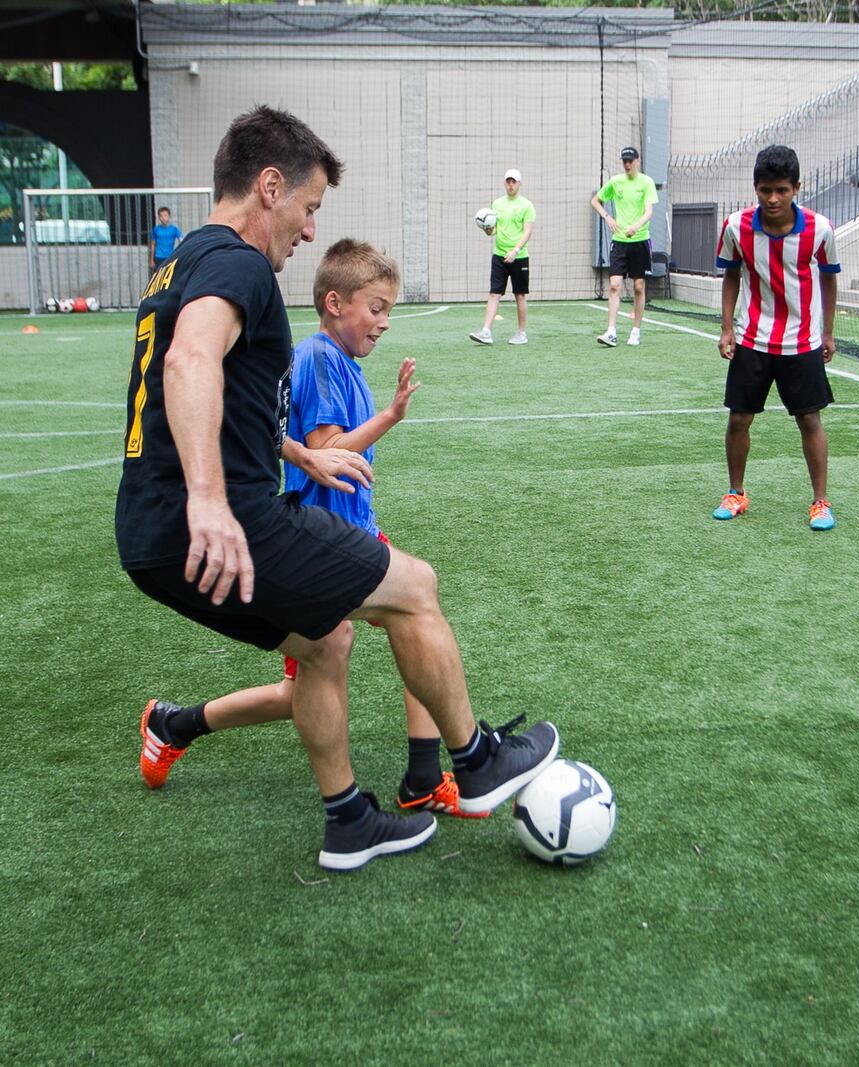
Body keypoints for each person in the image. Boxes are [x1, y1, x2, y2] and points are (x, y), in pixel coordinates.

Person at [117, 106, 559, 872]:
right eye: (310, 206)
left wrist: (299, 453)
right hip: (223, 520)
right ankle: (478, 761)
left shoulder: (182, 260)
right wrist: (211, 499)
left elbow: (210, 387)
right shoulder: (241, 263)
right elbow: (189, 365)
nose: (311, 230)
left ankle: (349, 819)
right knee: (415, 587)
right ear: (268, 186)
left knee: (326, 639)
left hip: (147, 535)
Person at [139, 237, 484, 820]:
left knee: (399, 630)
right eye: (376, 307)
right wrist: (390, 418)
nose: (384, 322)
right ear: (334, 303)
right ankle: (176, 724)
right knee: (410, 616)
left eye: (389, 311)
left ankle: (177, 724)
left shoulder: (338, 359)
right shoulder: (321, 357)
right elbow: (330, 449)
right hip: (321, 534)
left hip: (348, 527)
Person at [712, 144, 840, 531]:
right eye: (765, 189)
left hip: (801, 341)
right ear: (755, 187)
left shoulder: (820, 228)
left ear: (796, 188)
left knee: (809, 420)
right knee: (739, 418)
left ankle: (820, 502)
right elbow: (731, 275)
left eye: (781, 190)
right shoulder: (736, 226)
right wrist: (726, 327)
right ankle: (736, 492)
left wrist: (828, 332)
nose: (773, 198)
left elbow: (829, 278)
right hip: (752, 338)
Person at [591, 146, 658, 348]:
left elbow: (648, 212)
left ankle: (636, 330)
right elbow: (595, 201)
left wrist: (635, 227)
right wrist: (607, 217)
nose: (627, 164)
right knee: (614, 285)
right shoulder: (615, 182)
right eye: (624, 161)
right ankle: (611, 331)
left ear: (637, 161)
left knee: (639, 287)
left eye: (630, 161)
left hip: (640, 241)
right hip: (619, 242)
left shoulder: (646, 182)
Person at [468, 168, 535, 346]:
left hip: (519, 257)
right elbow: (495, 229)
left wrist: (515, 251)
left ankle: (521, 333)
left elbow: (527, 231)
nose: (511, 185)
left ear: (520, 183)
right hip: (499, 255)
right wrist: (488, 230)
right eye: (508, 181)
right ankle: (486, 332)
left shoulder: (527, 205)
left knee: (520, 295)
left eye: (514, 181)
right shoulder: (497, 204)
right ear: (504, 183)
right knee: (494, 294)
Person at [149, 206, 182, 272]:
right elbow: (153, 245)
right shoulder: (156, 229)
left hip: (170, 257)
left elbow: (182, 241)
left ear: (169, 216)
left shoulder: (174, 229)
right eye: (161, 216)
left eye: (165, 215)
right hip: (158, 257)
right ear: (159, 217)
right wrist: (151, 260)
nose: (163, 218)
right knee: (159, 277)